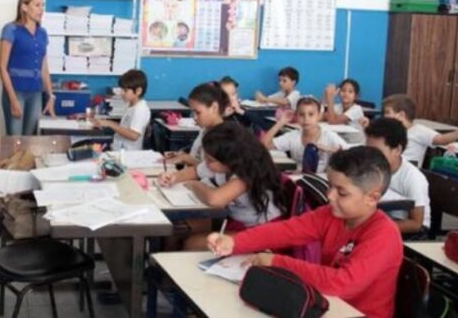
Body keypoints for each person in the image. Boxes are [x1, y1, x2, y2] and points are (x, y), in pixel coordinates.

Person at [207, 147, 403, 318]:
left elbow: (341, 283)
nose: (330, 196)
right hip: (325, 304)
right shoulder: (330, 215)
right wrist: (234, 242)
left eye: (342, 193)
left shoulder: (383, 235)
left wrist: (276, 262)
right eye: (330, 186)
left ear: (372, 198)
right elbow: (286, 231)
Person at [165, 122, 286, 249]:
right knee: (175, 229)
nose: (206, 162)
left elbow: (215, 199)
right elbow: (195, 171)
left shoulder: (247, 174)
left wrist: (194, 185)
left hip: (262, 230)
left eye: (210, 160)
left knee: (192, 243)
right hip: (235, 221)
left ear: (231, 160)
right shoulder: (220, 164)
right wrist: (173, 177)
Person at [0, 0, 55, 136]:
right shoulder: (11, 29)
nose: (41, 9)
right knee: (15, 139)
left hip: (36, 93)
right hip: (16, 91)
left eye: (43, 5)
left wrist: (50, 95)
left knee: (29, 139)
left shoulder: (42, 33)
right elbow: (2, 67)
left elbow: (44, 68)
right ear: (24, 7)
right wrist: (13, 100)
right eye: (37, 5)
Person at [363, 117, 431, 236]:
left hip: (412, 232)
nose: (370, 157)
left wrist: (374, 227)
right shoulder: (374, 168)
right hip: (383, 218)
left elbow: (416, 224)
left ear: (397, 150)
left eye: (377, 152)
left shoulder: (413, 178)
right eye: (368, 150)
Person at [381, 94, 458, 166]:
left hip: (407, 175)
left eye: (387, 112)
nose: (385, 116)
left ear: (401, 115)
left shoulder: (419, 131)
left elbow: (441, 139)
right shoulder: (388, 130)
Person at [261, 97, 348, 172]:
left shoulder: (329, 136)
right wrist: (281, 122)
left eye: (311, 114)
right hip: (299, 178)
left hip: (322, 180)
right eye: (301, 115)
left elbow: (351, 154)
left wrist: (329, 149)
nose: (306, 119)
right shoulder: (293, 136)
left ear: (319, 116)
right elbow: (263, 146)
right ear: (297, 116)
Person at [163, 82, 229, 167]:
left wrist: (186, 159)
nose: (194, 117)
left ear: (214, 108)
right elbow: (197, 156)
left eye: (198, 112)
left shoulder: (223, 138)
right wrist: (181, 154)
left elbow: (210, 170)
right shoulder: (205, 129)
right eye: (193, 112)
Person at [89, 69, 150, 151]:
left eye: (125, 90)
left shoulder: (140, 109)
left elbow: (134, 135)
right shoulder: (131, 105)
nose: (121, 93)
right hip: (118, 149)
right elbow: (123, 127)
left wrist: (110, 124)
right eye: (121, 89)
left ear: (138, 91)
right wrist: (105, 122)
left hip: (128, 153)